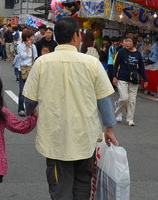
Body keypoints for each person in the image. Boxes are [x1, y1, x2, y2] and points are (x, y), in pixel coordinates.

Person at [22, 17, 117, 199]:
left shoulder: (42, 62)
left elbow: (29, 100)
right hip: (85, 136)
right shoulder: (92, 63)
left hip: (55, 136)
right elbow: (103, 100)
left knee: (60, 186)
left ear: (56, 36)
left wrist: (31, 113)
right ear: (76, 36)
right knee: (83, 183)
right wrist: (109, 129)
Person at [113, 33, 148, 126]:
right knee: (124, 98)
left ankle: (130, 119)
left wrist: (145, 79)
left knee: (132, 100)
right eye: (125, 41)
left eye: (129, 41)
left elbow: (141, 67)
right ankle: (117, 112)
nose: (127, 43)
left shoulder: (138, 54)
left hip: (134, 80)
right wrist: (114, 77)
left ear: (134, 43)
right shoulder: (121, 52)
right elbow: (115, 65)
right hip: (122, 78)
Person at [14, 29, 37, 117]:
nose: (33, 38)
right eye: (32, 37)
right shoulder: (20, 46)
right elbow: (23, 57)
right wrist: (27, 48)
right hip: (22, 70)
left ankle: (31, 109)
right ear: (27, 38)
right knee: (22, 90)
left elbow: (35, 57)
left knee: (31, 90)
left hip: (31, 69)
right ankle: (21, 109)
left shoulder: (33, 46)